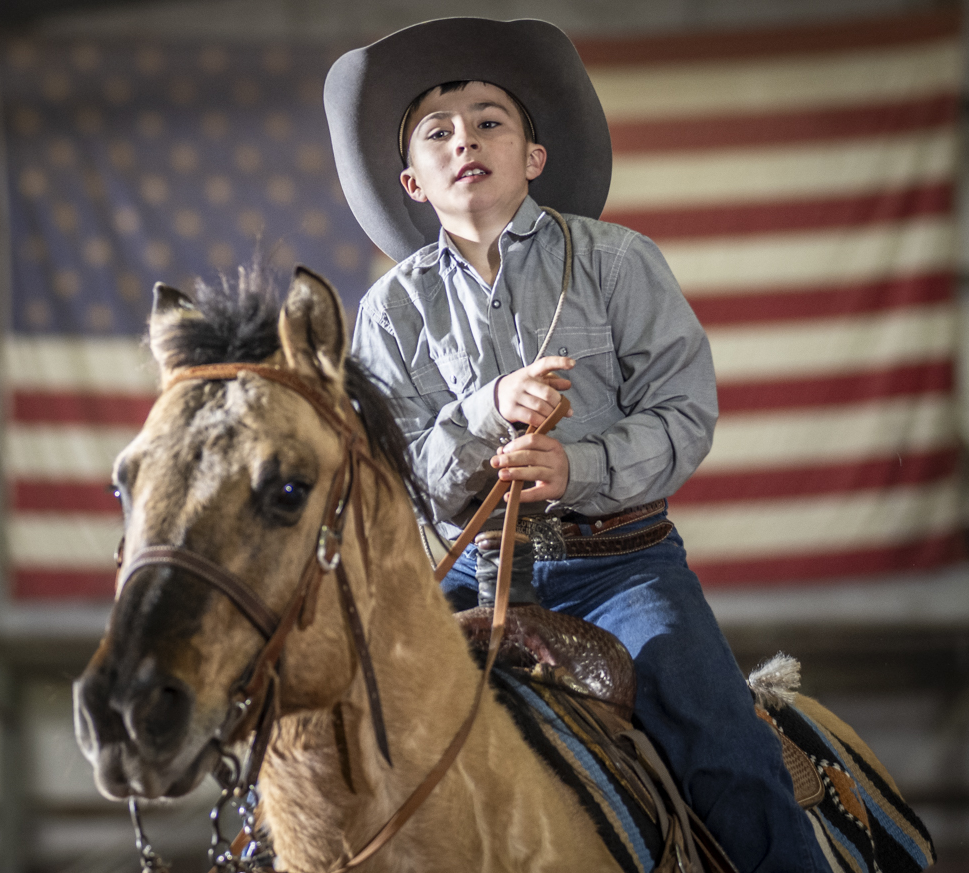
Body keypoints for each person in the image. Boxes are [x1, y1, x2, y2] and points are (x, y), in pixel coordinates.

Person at [324, 18, 830, 873]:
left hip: (621, 567)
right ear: (412, 181)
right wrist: (487, 406)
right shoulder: (391, 310)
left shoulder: (617, 262)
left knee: (721, 746)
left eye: (489, 121)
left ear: (534, 158)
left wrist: (577, 468)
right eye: (437, 133)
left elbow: (684, 413)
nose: (464, 140)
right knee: (350, 729)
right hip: (464, 571)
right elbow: (394, 469)